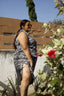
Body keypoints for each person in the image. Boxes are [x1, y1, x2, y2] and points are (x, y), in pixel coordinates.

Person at [14, 19, 37, 96]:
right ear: (22, 26)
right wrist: (30, 59)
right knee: (26, 77)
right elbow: (25, 47)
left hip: (28, 57)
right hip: (23, 57)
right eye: (28, 25)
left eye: (30, 25)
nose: (30, 26)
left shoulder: (27, 34)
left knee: (27, 79)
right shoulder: (22, 33)